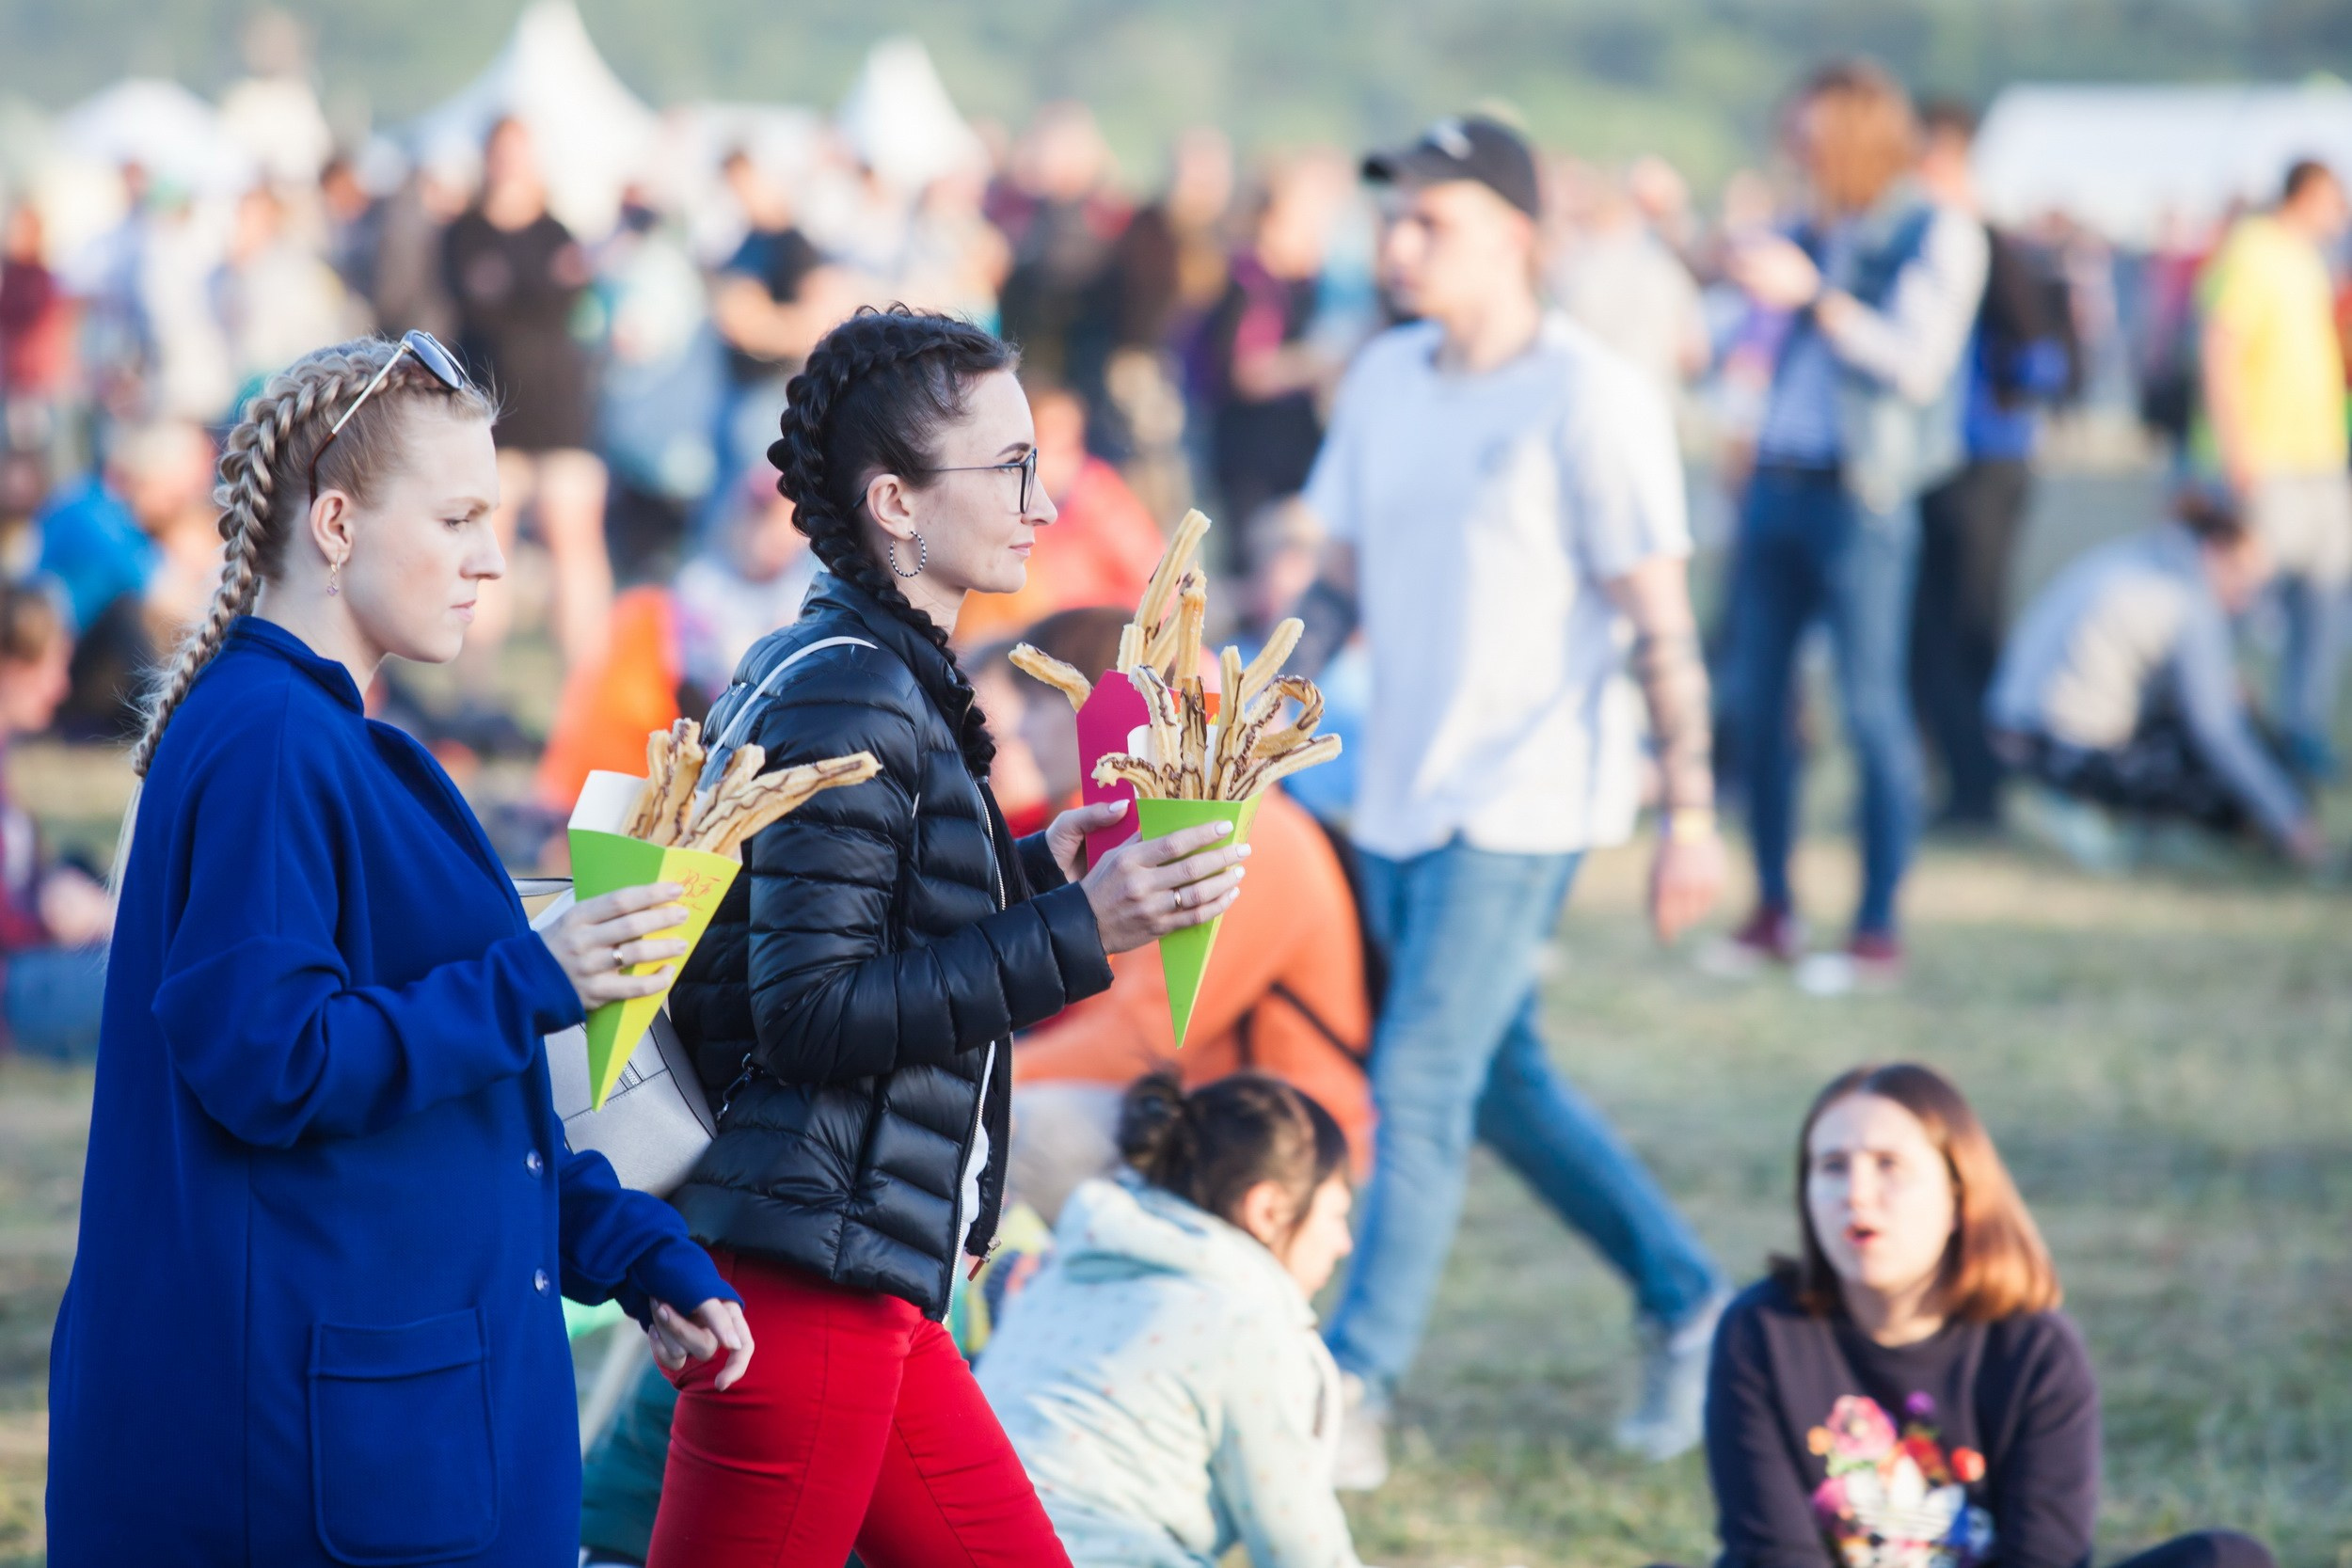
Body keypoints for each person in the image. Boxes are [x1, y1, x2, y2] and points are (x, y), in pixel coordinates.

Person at [44, 334, 752, 1566]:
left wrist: (628, 1247)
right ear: (333, 522)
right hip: (313, 1456)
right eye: (460, 514)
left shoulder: (311, 732)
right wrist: (542, 975)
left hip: (375, 1424)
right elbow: (274, 1060)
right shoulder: (272, 740)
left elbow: (448, 1100)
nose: (493, 553)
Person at [645, 306, 1254, 1568]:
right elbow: (810, 1009)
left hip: (863, 1262)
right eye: (1013, 467)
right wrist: (1082, 929)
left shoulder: (854, 660)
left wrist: (1038, 873)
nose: (1048, 497)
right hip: (813, 1272)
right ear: (898, 504)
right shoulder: (854, 683)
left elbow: (863, 916)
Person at [1285, 114, 1732, 1480]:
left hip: (1528, 796)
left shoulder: (1589, 396)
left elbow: (1658, 618)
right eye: (1395, 216)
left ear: (1519, 237)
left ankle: (1349, 1388)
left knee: (1417, 1077)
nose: (1401, 242)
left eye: (1434, 220)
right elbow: (1334, 587)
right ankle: (1693, 1300)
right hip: (1398, 795)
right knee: (1500, 1081)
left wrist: (1693, 814)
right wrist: (1247, 720)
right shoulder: (1383, 382)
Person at [1701, 1062, 2276, 1568]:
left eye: (1889, 1165)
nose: (1857, 1192)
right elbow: (1774, 1554)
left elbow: (2046, 1557)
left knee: (2227, 1560)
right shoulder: (1760, 1333)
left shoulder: (2034, 1350)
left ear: (1958, 1194)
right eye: (1831, 1166)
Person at [1716, 60, 1990, 988]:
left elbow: (1915, 363)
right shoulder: (1804, 225)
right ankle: (1772, 909)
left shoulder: (1936, 229)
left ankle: (1875, 925)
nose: (1795, 157)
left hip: (1862, 496)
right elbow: (1749, 351)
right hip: (1774, 482)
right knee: (1756, 702)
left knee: (1871, 709)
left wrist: (1813, 299)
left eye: (1810, 141)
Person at [977, 609, 1376, 1222]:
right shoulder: (1144, 825)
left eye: (1036, 706)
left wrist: (978, 1076)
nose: (1022, 734)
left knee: (1022, 1130)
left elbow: (1139, 1039)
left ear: (1096, 708)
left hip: (1277, 1134)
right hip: (1193, 1101)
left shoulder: (1241, 835)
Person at [977, 1072, 1366, 1568]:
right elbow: (1301, 1549)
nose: (1343, 1243)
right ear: (1268, 1210)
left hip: (948, 1541)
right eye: (1336, 1216)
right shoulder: (1244, 1322)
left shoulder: (1066, 1265)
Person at [1986, 487, 2321, 867]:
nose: (2246, 598)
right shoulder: (2189, 601)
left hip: (2016, 728)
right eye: (2244, 578)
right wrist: (2290, 820)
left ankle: (2086, 811)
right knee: (2223, 775)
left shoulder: (2146, 556)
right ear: (2216, 551)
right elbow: (2218, 731)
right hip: (2061, 748)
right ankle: (2082, 813)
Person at [1906, 101, 2075, 831]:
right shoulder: (1989, 238)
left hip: (1977, 462)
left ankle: (1976, 792)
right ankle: (1964, 785)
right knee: (1943, 631)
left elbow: (2044, 360)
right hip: (1979, 459)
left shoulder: (1975, 239)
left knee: (1959, 631)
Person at [2198, 158, 2352, 780]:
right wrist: (2238, 449)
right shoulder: (2251, 249)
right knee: (2240, 601)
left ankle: (2299, 731)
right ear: (2307, 195)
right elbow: (2221, 346)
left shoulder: (2309, 260)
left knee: (2325, 598)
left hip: (2318, 457)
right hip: (2266, 459)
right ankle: (2220, 730)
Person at [444, 117, 614, 674]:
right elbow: (478, 307)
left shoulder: (554, 230)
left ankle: (588, 681)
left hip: (557, 405)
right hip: (490, 405)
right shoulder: (464, 233)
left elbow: (565, 301)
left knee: (574, 536)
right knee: (488, 541)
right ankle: (478, 685)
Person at [954, 382, 1167, 644]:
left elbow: (1156, 584)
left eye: (1073, 444)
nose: (1069, 461)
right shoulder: (997, 508)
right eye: (1050, 446)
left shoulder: (1097, 494)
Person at [0, 584, 111, 1062]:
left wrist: (58, 886)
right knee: (151, 975)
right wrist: (50, 919)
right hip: (16, 989)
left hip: (31, 958)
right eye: (53, 666)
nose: (63, 686)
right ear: (12, 668)